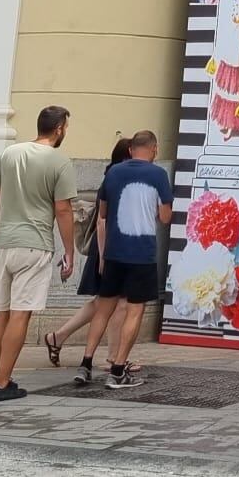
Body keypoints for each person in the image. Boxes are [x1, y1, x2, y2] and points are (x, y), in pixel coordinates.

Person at [0, 104, 77, 403]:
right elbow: (63, 209)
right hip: (34, 244)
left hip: (5, 242)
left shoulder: (9, 153)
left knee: (2, 312)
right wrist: (70, 251)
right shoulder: (60, 162)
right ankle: (2, 382)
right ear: (60, 128)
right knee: (20, 315)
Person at [43, 135, 133, 382]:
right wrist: (104, 256)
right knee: (117, 304)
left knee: (102, 303)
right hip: (109, 247)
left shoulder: (115, 173)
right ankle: (114, 358)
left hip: (109, 246)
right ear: (129, 154)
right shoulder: (118, 176)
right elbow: (104, 220)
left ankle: (58, 337)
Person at [95, 130, 173, 389]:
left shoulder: (114, 172)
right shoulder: (159, 175)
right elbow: (164, 217)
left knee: (104, 308)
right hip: (142, 253)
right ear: (154, 149)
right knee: (134, 310)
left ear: (130, 149)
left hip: (115, 251)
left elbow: (102, 213)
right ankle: (118, 368)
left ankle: (87, 362)